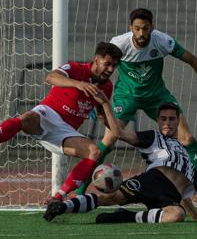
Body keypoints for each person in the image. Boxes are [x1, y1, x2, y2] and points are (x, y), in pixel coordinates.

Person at [75, 8, 197, 208]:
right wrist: (95, 98)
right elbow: (101, 68)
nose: (141, 33)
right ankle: (79, 192)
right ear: (130, 28)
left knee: (187, 138)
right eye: (137, 29)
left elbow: (192, 60)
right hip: (126, 97)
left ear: (152, 27)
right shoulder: (119, 43)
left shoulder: (162, 41)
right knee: (108, 140)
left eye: (145, 28)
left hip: (156, 96)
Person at [44, 95, 197, 224]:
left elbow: (183, 190)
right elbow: (119, 133)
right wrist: (106, 105)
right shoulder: (153, 137)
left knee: (176, 216)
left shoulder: (186, 148)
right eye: (163, 119)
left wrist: (196, 214)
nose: (167, 123)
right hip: (152, 181)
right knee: (110, 197)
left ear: (178, 121)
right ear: (158, 121)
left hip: (171, 195)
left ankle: (126, 216)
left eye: (172, 119)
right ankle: (62, 207)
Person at [0, 41, 122, 202]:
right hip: (48, 114)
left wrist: (107, 111)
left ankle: (58, 197)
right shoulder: (75, 68)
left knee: (94, 152)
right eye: (107, 64)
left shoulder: (106, 86)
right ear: (96, 59)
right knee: (26, 118)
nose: (111, 70)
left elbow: (101, 115)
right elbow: (51, 77)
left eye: (114, 66)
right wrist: (78, 84)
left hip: (66, 132)